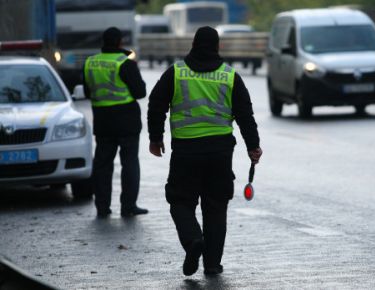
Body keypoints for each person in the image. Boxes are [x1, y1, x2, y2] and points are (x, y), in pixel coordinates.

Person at [147, 26, 262, 276]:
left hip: (186, 152)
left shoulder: (176, 73)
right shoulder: (230, 76)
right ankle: (212, 264)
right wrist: (253, 146)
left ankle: (192, 240)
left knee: (180, 201)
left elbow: (156, 103)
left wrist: (156, 138)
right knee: (216, 207)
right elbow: (245, 115)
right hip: (220, 154)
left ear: (194, 45)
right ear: (217, 47)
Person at [83, 27, 148, 218]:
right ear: (120, 43)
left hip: (103, 121)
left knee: (102, 164)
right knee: (129, 163)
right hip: (127, 121)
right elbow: (140, 92)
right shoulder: (124, 62)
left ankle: (102, 207)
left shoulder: (90, 62)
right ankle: (128, 206)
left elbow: (88, 92)